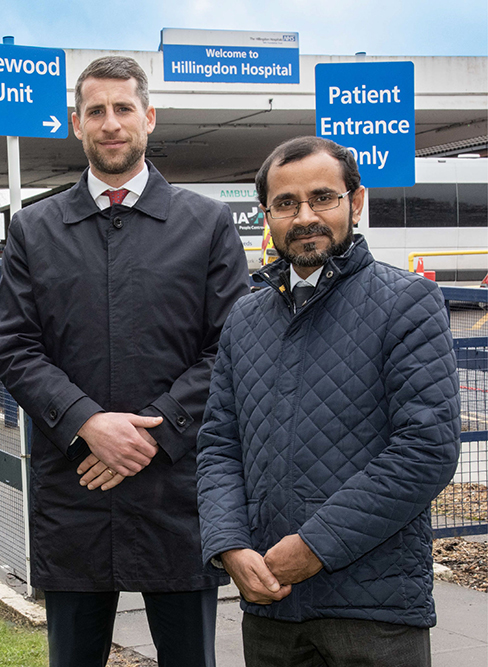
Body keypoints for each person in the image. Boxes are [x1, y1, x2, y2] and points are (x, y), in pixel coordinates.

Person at [0, 55, 249, 667]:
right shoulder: (33, 229)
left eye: (123, 108)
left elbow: (231, 347)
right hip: (75, 484)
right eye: (95, 111)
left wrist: (152, 434)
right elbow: (16, 346)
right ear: (75, 124)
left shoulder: (207, 224)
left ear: (149, 117)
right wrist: (87, 423)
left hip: (177, 490)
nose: (110, 123)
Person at [196, 136, 461, 666]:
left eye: (323, 198)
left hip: (373, 612)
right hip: (271, 609)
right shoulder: (245, 319)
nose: (305, 217)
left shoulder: (408, 302)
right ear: (266, 214)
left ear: (355, 201)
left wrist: (316, 546)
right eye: (286, 204)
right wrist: (228, 545)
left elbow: (425, 449)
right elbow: (219, 446)